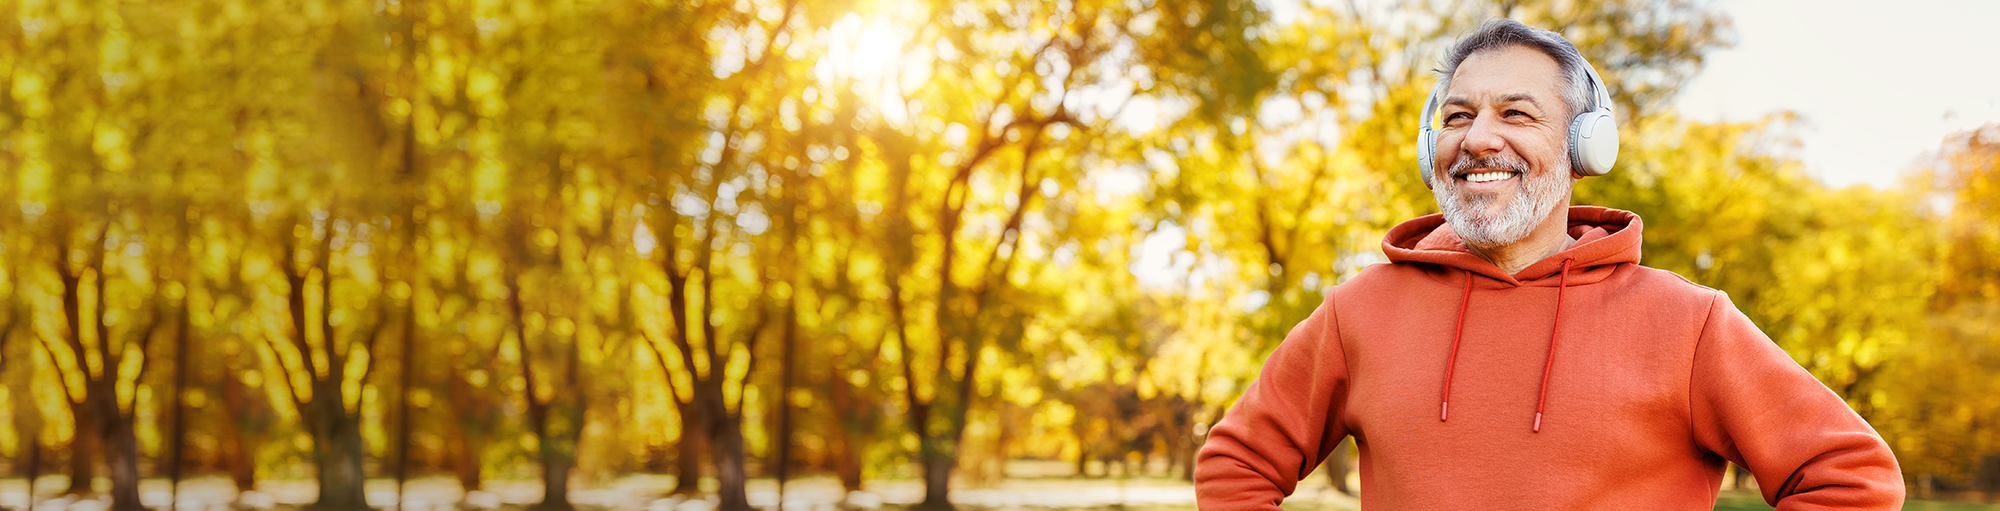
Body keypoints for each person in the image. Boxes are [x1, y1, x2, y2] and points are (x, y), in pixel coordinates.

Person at [1193, 19, 1904, 510]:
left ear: (1585, 147)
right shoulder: (1358, 311)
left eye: (1517, 114)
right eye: (1458, 115)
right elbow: (1236, 464)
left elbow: (1851, 476)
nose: (1479, 138)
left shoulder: (1690, 322)